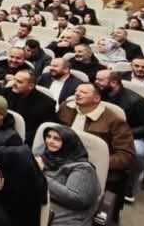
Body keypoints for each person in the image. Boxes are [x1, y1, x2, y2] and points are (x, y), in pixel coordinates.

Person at [57, 82, 135, 214]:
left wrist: (97, 164)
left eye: (83, 92)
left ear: (97, 98)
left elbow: (125, 155)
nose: (77, 94)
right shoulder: (66, 108)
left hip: (91, 166)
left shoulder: (114, 120)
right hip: (61, 157)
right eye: (76, 91)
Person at [34, 125, 100, 226]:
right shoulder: (42, 155)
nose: (50, 141)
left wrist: (40, 174)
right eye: (48, 136)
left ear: (68, 143)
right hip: (40, 216)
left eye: (57, 139)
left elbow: (77, 199)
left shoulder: (83, 168)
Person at [94, 70, 144, 202]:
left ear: (114, 83)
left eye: (100, 80)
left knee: (139, 153)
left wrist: (122, 134)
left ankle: (129, 186)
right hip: (102, 130)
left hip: (131, 135)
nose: (96, 82)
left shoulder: (137, 101)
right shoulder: (98, 94)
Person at [1, 69, 57, 145]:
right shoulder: (5, 92)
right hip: (0, 133)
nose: (13, 83)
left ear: (31, 86)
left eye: (19, 82)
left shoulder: (47, 103)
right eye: (14, 79)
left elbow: (41, 130)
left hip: (24, 141)